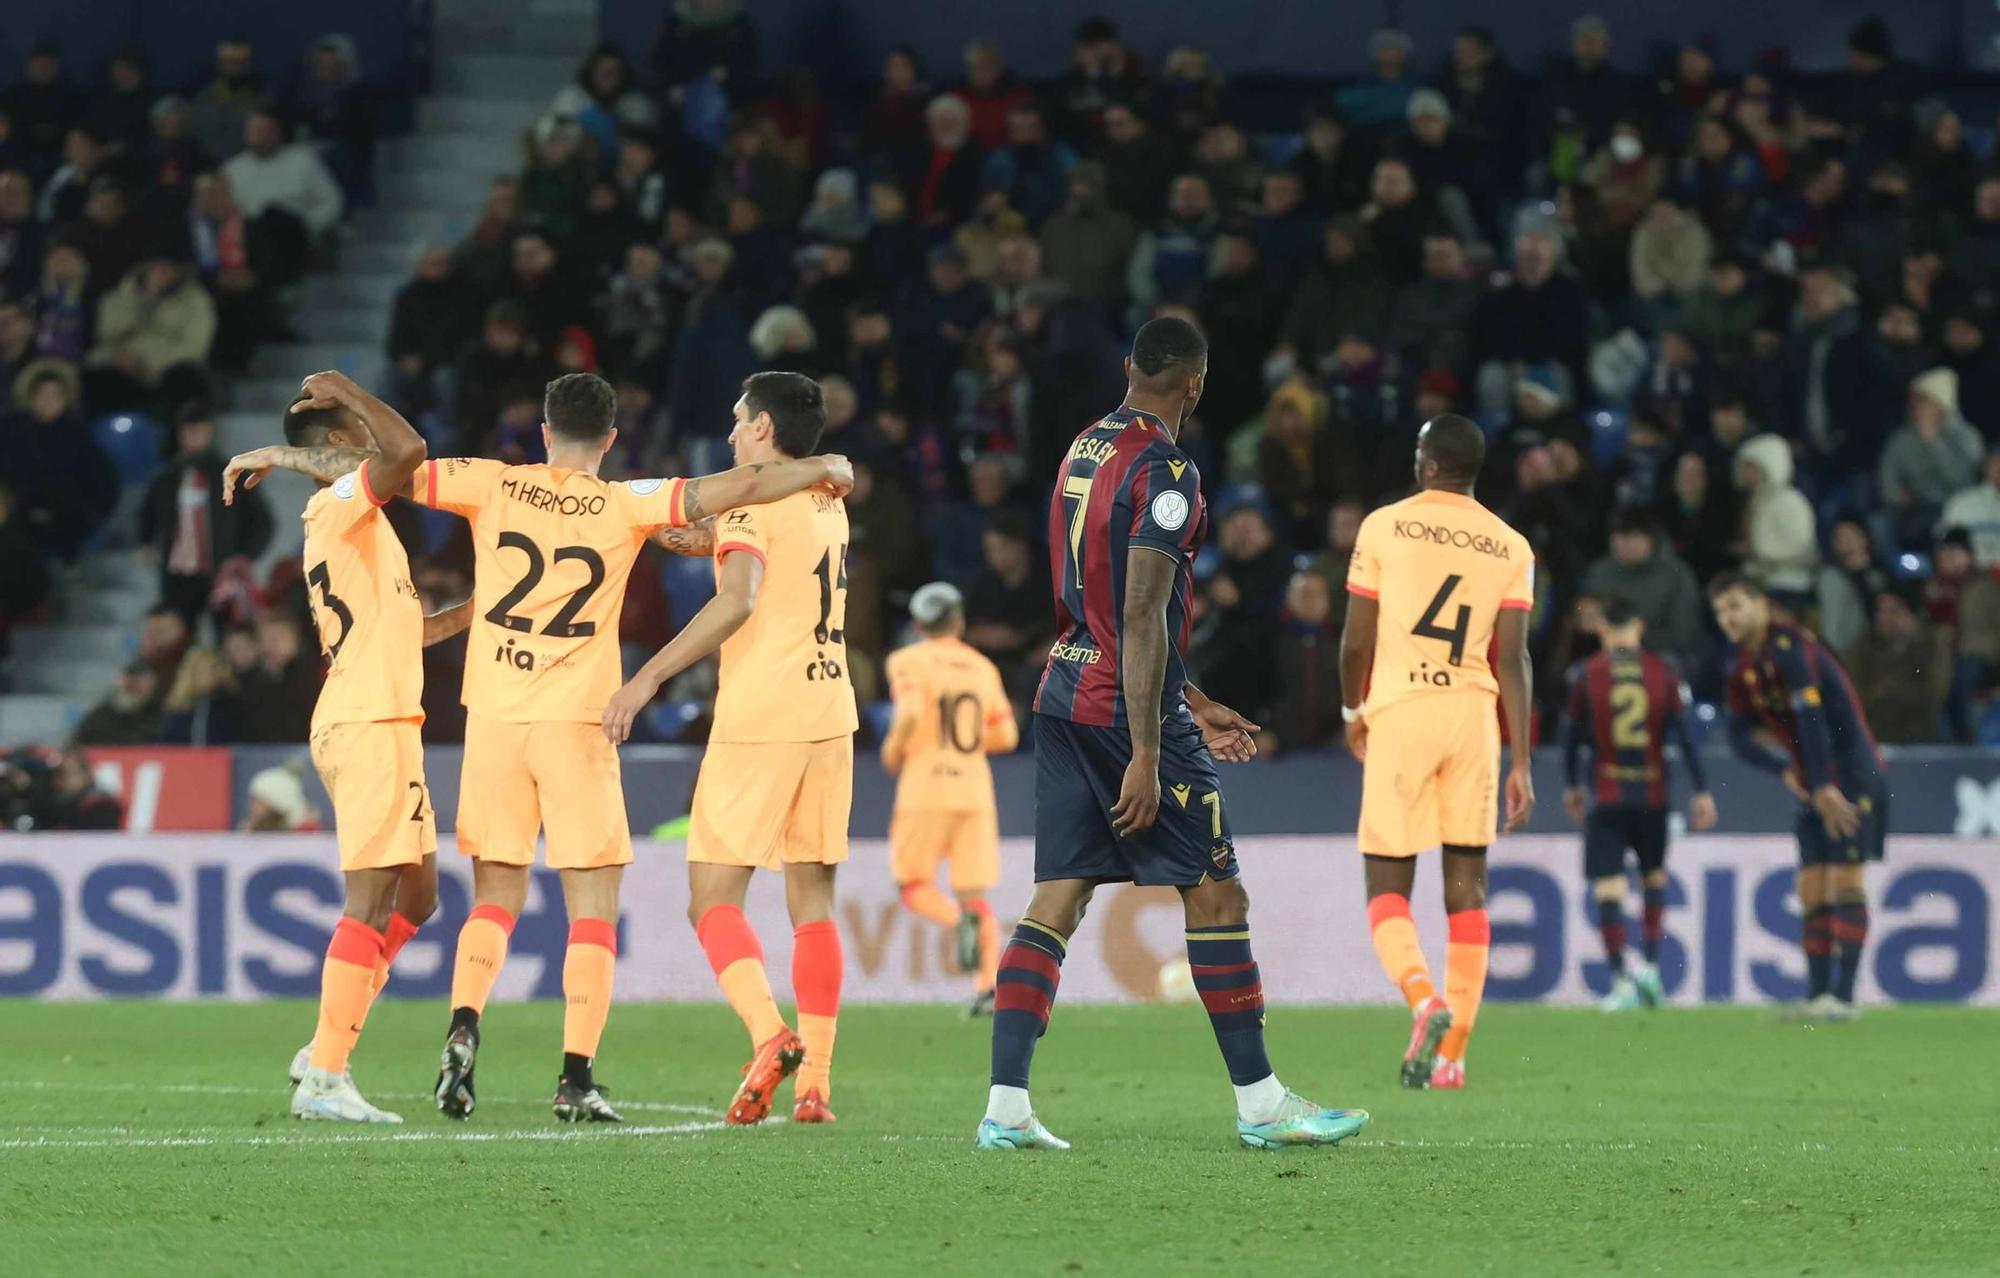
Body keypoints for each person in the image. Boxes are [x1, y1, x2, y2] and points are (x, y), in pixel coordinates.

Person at [252, 372, 851, 1124]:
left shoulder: (490, 484)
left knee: (495, 893)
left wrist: (284, 454)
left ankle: (464, 1026)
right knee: (592, 903)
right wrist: (824, 468)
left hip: (496, 716)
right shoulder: (628, 501)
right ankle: (575, 1076)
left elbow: (382, 469)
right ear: (609, 439)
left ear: (543, 433)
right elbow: (736, 486)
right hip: (580, 718)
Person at [978, 316, 1367, 1152]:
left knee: (1059, 896)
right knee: (1217, 893)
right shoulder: (1168, 469)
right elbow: (1142, 608)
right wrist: (1155, 743)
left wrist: (1190, 697)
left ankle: (1005, 1107)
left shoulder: (1085, 446)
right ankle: (1262, 1105)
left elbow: (1102, 606)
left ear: (1130, 369)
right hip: (1127, 711)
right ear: (1195, 384)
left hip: (1065, 691)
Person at [600, 373, 855, 1125]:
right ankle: (817, 1086)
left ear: (766, 429)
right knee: (813, 903)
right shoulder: (828, 499)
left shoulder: (755, 498)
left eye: (741, 421)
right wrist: (714, 536)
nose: (734, 431)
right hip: (830, 708)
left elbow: (739, 600)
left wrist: (645, 677)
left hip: (762, 713)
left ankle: (769, 1035)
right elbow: (782, 559)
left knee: (712, 898)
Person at [220, 371, 468, 1121]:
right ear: (337, 443)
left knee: (418, 898)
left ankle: (327, 1041)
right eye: (356, 433)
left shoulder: (358, 526)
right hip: (365, 722)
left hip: (385, 716)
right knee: (368, 897)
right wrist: (352, 392)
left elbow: (409, 633)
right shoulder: (338, 503)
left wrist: (481, 613)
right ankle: (327, 1071)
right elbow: (411, 449)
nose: (372, 442)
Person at [1339, 413, 1536, 1091]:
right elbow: (1513, 658)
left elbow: (1356, 642)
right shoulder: (1510, 545)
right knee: (1467, 885)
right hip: (1474, 716)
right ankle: (1453, 1056)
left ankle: (1424, 999)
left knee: (1387, 882)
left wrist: (1351, 710)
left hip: (1402, 711)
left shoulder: (1384, 526)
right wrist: (1524, 762)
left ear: (1426, 463)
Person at [1710, 573, 1888, 1020]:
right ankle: (1817, 997)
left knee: (1845, 879)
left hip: (1851, 773)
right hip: (1815, 777)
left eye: (1734, 606)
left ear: (1761, 604)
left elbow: (1814, 721)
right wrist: (1785, 770)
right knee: (1811, 886)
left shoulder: (1790, 648)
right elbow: (1736, 738)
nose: (1726, 618)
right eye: (1719, 612)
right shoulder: (1744, 667)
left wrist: (1826, 784)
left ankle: (1844, 1000)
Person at [1562, 600, 1716, 1012]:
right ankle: (1649, 964)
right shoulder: (1662, 673)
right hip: (1653, 794)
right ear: (1639, 627)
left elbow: (1572, 737)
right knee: (1654, 878)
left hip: (1607, 793)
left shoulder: (1586, 675)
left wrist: (1572, 785)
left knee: (1609, 885)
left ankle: (1620, 981)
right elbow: (1685, 736)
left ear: (1602, 630)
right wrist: (1701, 789)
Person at [879, 582, 1019, 1016]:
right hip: (974, 790)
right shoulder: (982, 669)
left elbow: (911, 713)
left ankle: (958, 924)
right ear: (958, 621)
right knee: (974, 893)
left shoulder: (907, 661)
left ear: (919, 624)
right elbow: (1007, 735)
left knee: (914, 885)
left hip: (926, 786)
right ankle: (986, 988)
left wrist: (893, 750)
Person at [140, 401, 273, 628]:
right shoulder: (166, 478)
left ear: (209, 432)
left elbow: (262, 521)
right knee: (178, 635)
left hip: (222, 572)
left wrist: (243, 557)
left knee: (230, 634)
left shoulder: (234, 474)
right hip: (178, 573)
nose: (193, 437)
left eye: (199, 431)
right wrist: (145, 540)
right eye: (188, 432)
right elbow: (148, 512)